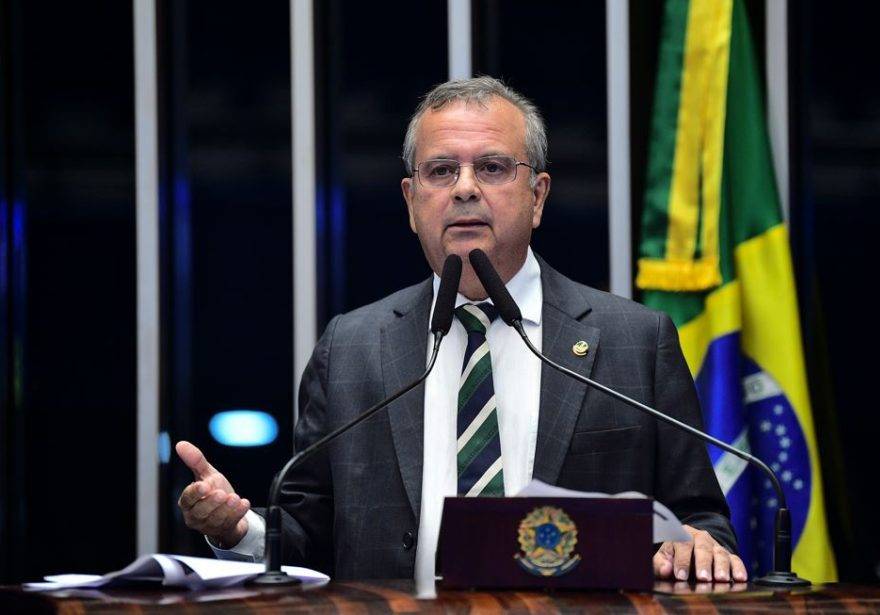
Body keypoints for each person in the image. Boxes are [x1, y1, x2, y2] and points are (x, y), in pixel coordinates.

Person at [176, 77, 747, 585]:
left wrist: (698, 546)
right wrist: (240, 530)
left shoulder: (635, 341)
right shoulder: (351, 349)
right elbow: (307, 538)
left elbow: (702, 519)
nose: (465, 188)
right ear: (411, 200)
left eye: (493, 168)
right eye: (441, 170)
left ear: (538, 196)